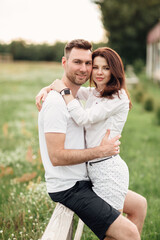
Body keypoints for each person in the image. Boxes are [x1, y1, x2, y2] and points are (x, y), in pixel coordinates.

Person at [37, 39, 142, 240]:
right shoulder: (58, 103)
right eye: (78, 62)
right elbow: (57, 157)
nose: (86, 69)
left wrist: (55, 87)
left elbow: (78, 101)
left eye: (88, 63)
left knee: (139, 206)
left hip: (88, 176)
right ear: (64, 62)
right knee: (128, 233)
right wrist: (50, 88)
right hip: (70, 187)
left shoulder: (80, 96)